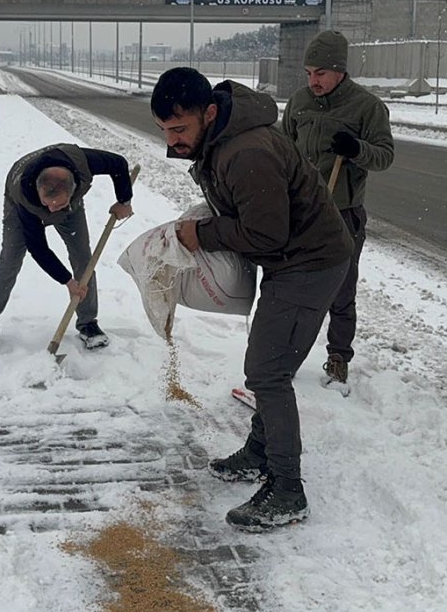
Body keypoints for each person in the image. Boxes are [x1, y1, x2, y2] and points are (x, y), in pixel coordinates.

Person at [151, 67, 352, 531]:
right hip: (291, 259)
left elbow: (264, 231)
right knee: (267, 363)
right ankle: (261, 452)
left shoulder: (246, 152)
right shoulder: (223, 140)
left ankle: (286, 490)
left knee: (268, 372)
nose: (173, 140)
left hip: (310, 263)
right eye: (164, 130)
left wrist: (201, 234)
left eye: (180, 129)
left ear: (211, 111)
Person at [281, 30, 394, 393]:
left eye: (320, 74)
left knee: (340, 291)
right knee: (293, 286)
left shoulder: (367, 106)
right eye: (308, 73)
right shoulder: (299, 102)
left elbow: (385, 156)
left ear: (340, 71)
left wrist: (357, 148)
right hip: (301, 210)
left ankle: (338, 358)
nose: (313, 81)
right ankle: (288, 355)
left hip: (342, 214)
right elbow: (282, 148)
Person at [0, 143, 133, 359]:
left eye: (58, 205)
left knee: (83, 257)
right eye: (49, 204)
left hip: (70, 208)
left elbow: (118, 163)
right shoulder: (24, 193)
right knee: (9, 259)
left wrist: (124, 200)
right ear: (38, 189)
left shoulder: (83, 163)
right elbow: (38, 247)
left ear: (73, 188)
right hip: (23, 209)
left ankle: (88, 324)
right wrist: (67, 281)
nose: (51, 211)